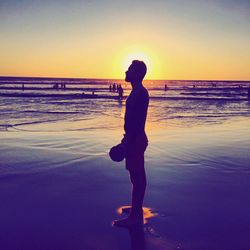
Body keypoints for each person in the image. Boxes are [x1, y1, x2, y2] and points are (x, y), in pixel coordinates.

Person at [113, 60, 149, 227]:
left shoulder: (140, 93)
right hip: (133, 138)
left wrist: (127, 143)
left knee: (137, 177)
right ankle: (136, 208)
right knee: (135, 177)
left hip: (135, 139)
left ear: (136, 74)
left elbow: (137, 123)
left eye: (129, 70)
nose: (125, 72)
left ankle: (135, 216)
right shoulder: (137, 92)